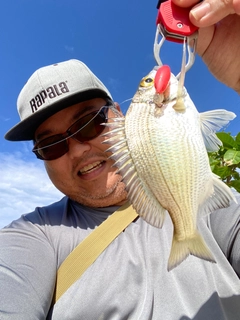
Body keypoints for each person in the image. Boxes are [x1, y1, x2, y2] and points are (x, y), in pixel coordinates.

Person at [1, 0, 240, 318]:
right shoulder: (33, 236)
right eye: (51, 144)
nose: (77, 149)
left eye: (90, 123)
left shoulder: (207, 203)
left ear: (120, 116)